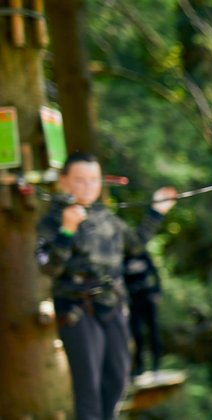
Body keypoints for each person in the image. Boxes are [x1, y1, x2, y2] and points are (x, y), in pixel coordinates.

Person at [35, 153, 177, 420]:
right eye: (80, 180)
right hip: (77, 309)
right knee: (88, 389)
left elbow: (134, 245)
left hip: (112, 306)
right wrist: (67, 231)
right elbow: (48, 268)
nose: (88, 187)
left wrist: (156, 212)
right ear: (64, 182)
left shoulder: (105, 217)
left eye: (93, 180)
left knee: (118, 380)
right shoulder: (52, 220)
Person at [123, 250, 164, 378]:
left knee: (153, 331)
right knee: (137, 333)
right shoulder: (123, 258)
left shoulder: (143, 255)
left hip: (148, 298)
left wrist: (157, 292)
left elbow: (155, 275)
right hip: (133, 301)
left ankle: (156, 363)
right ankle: (140, 366)